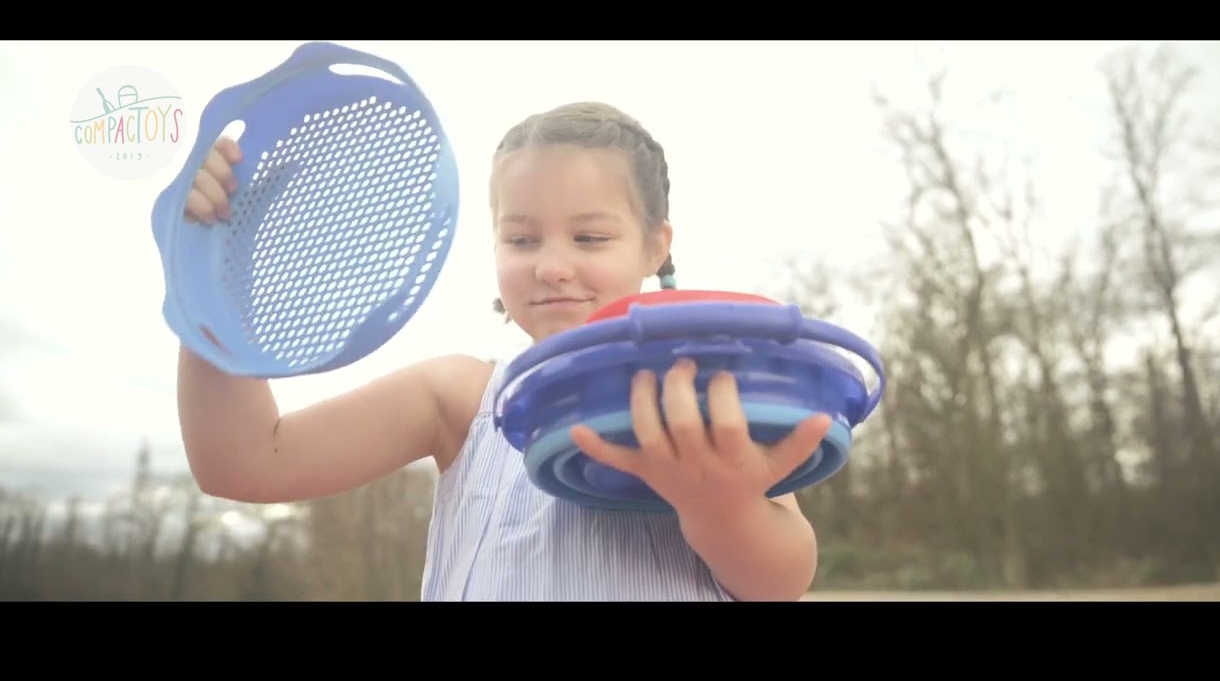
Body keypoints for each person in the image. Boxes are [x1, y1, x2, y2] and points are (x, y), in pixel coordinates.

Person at [178, 101, 832, 601]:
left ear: (655, 246)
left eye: (590, 237)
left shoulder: (710, 390)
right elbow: (246, 462)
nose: (551, 267)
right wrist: (212, 275)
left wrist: (718, 508)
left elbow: (781, 581)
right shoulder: (461, 399)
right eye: (521, 240)